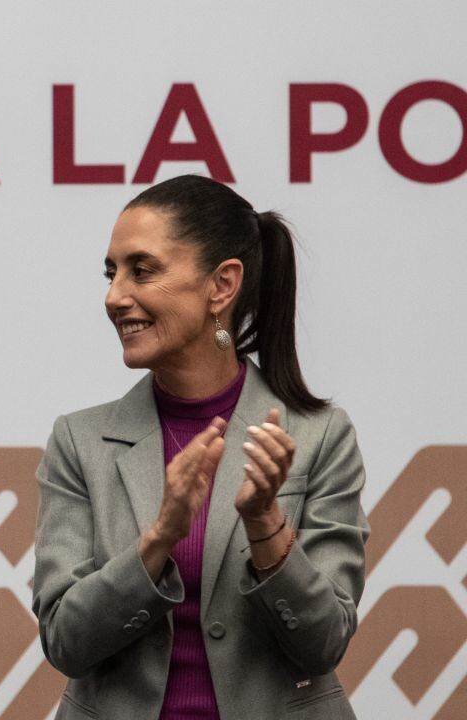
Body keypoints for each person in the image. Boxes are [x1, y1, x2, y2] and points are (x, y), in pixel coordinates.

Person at [32, 175, 368, 719]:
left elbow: (323, 643)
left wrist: (265, 523)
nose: (115, 296)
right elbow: (65, 641)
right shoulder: (79, 442)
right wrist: (159, 538)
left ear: (222, 285)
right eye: (111, 273)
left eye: (142, 270)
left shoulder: (319, 436)